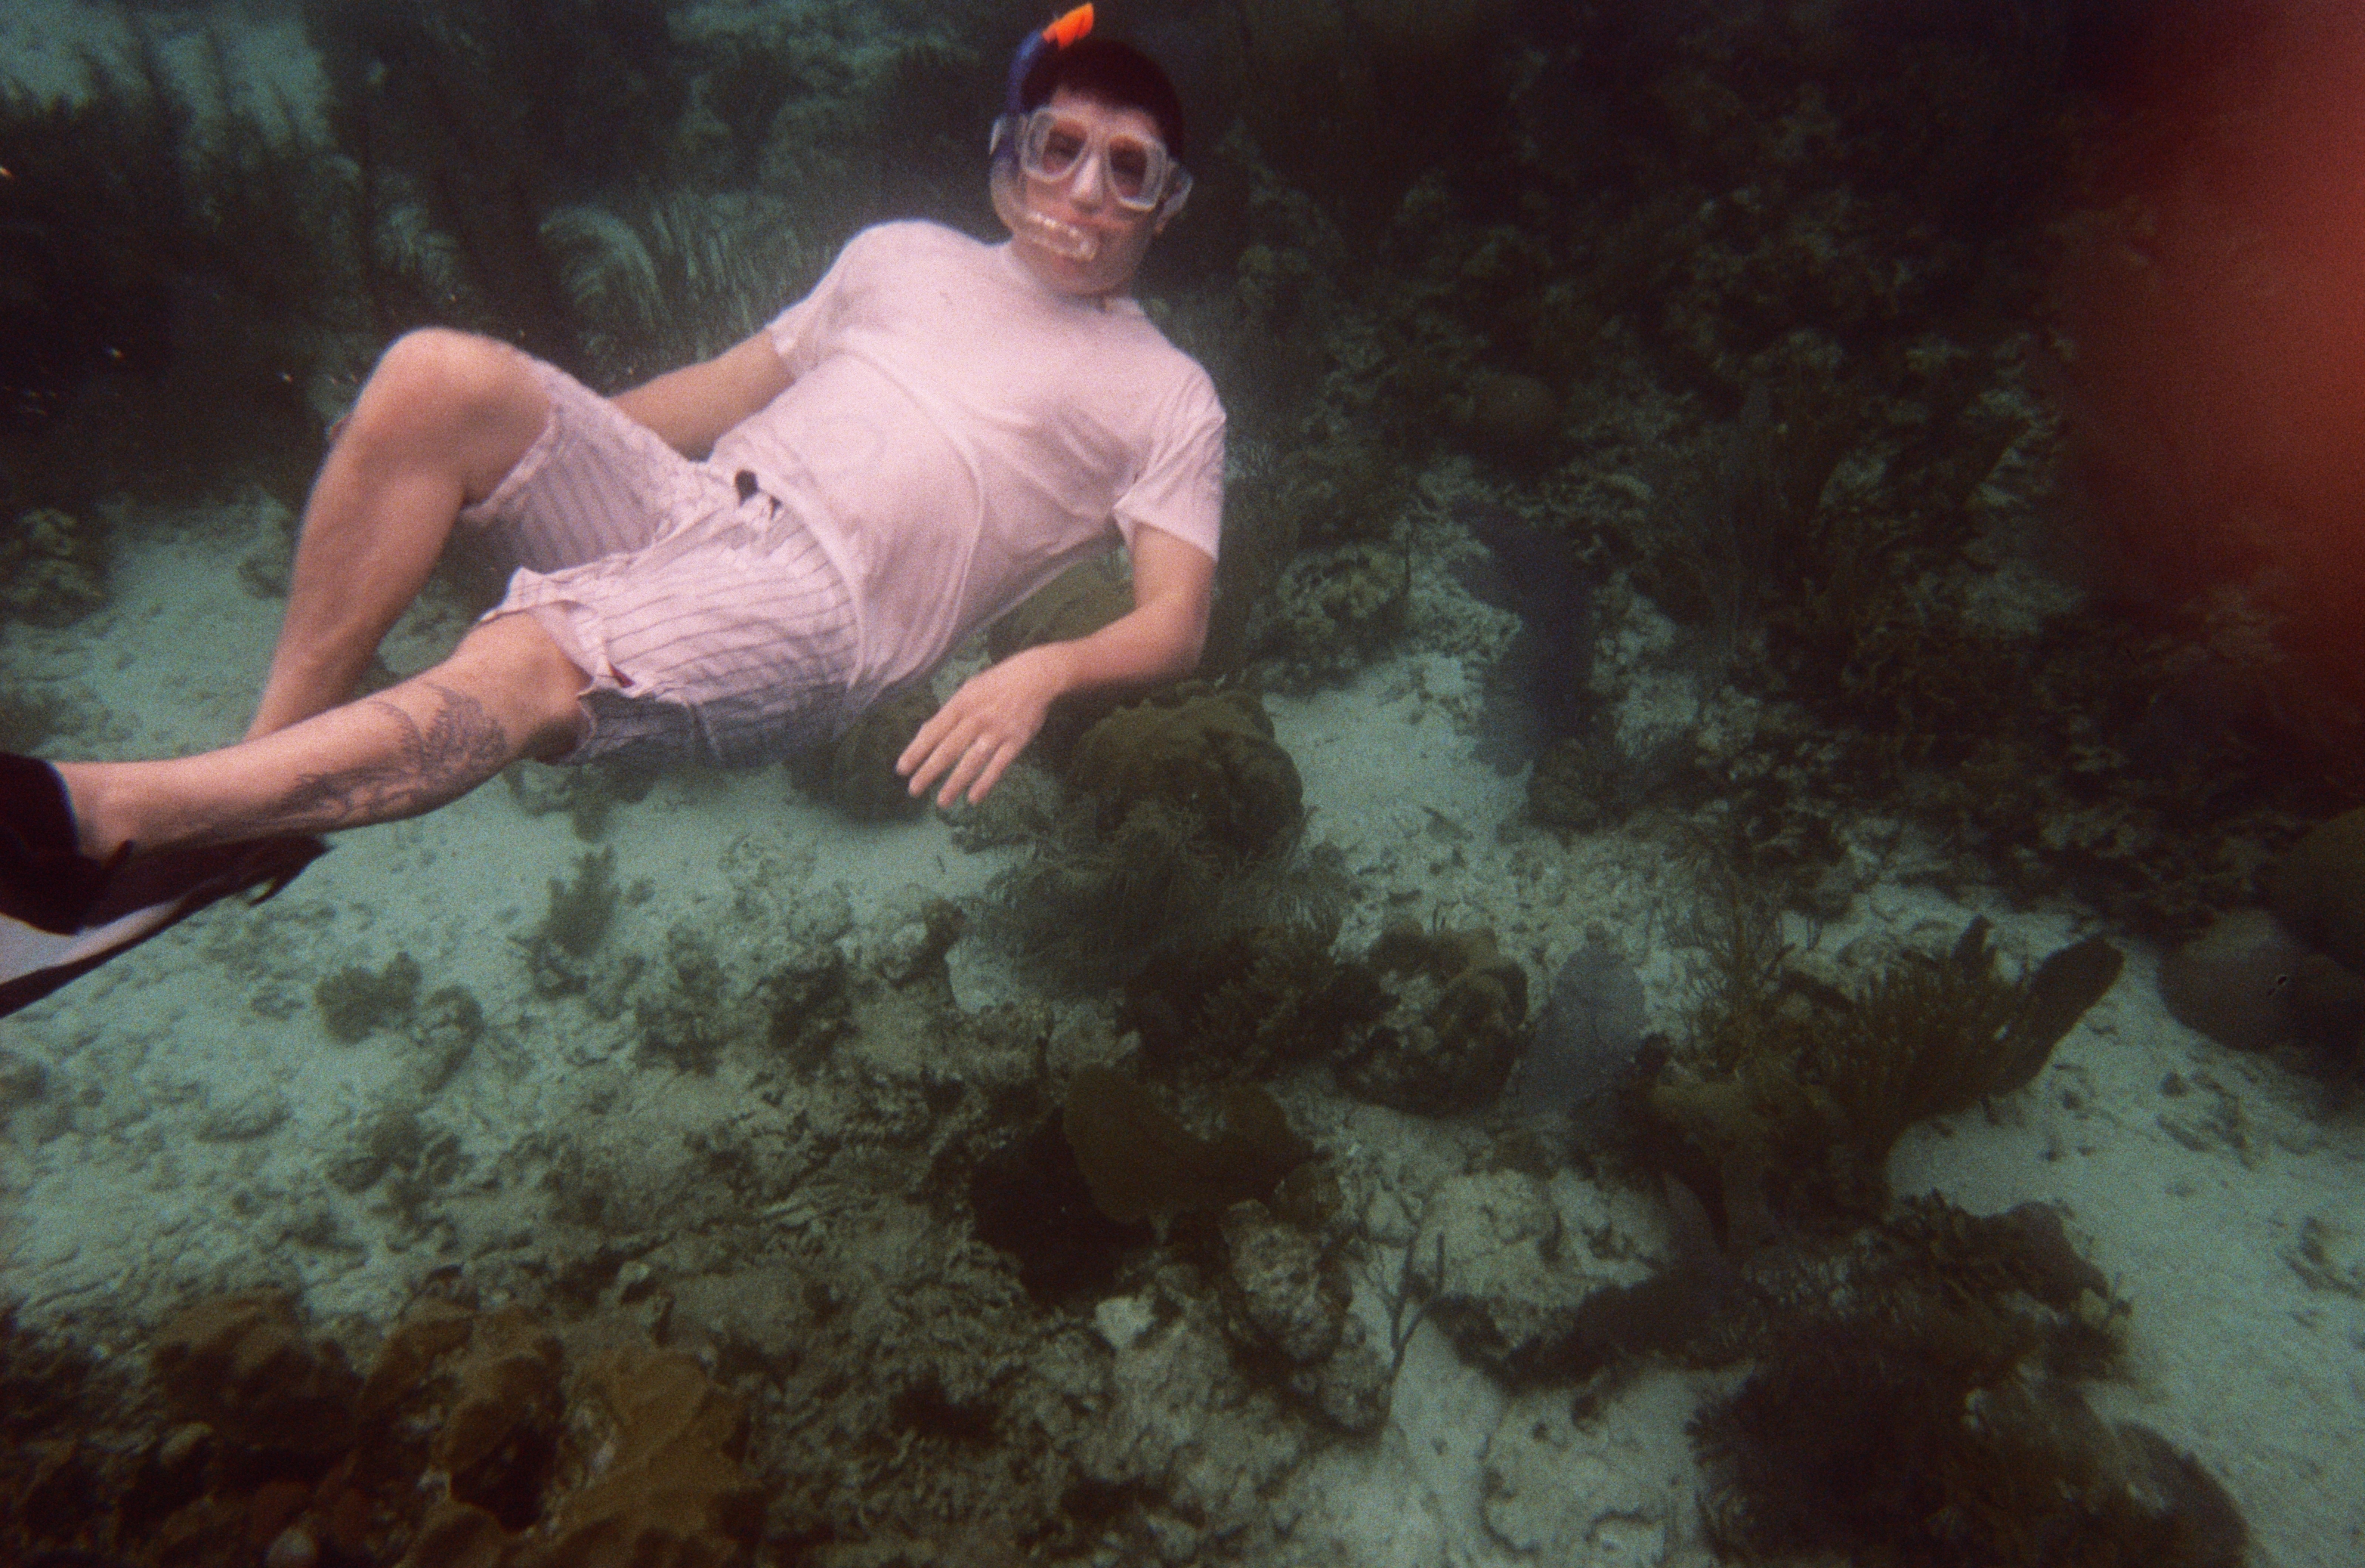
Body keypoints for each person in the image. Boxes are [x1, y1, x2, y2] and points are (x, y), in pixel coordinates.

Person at [0, 13, 1223, 1012]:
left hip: (820, 614)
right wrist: (495, 446)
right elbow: (723, 389)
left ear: (1166, 202)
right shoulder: (895, 253)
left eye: (1127, 169)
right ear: (1010, 149)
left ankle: (104, 823)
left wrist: (1042, 671)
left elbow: (1174, 621)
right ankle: (238, 808)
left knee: (531, 662)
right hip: (688, 501)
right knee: (436, 376)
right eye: (1060, 146)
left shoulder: (1166, 394)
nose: (1083, 189)